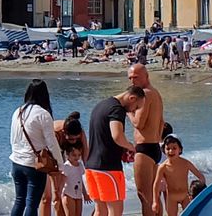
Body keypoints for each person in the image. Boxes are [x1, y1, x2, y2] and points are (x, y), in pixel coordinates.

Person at [84, 85, 145, 216]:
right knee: (115, 210)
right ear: (132, 98)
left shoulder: (101, 105)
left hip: (91, 166)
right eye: (137, 106)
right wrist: (130, 147)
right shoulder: (117, 109)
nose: (134, 110)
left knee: (100, 210)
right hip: (108, 167)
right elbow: (117, 135)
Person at [9, 79, 65, 216]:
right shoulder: (43, 114)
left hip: (16, 162)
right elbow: (51, 143)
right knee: (32, 203)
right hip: (34, 165)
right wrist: (60, 164)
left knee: (19, 201)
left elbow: (13, 138)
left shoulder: (18, 111)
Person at [127, 64, 165, 216]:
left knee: (144, 196)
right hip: (155, 146)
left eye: (136, 77)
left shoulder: (145, 94)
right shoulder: (155, 93)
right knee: (154, 195)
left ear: (146, 75)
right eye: (130, 78)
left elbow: (138, 123)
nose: (132, 81)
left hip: (144, 148)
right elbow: (162, 122)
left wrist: (128, 110)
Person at [151, 136, 204, 216]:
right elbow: (156, 184)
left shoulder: (185, 163)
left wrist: (201, 191)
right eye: (168, 149)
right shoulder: (163, 167)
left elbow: (200, 176)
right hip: (171, 198)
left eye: (174, 148)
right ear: (163, 150)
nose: (171, 151)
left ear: (180, 150)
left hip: (185, 196)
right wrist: (155, 202)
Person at [58, 145, 87, 216]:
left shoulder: (80, 165)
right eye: (74, 155)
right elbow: (62, 181)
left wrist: (85, 193)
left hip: (78, 194)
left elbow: (80, 180)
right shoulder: (66, 166)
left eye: (79, 155)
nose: (77, 157)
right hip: (68, 194)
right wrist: (58, 195)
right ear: (67, 155)